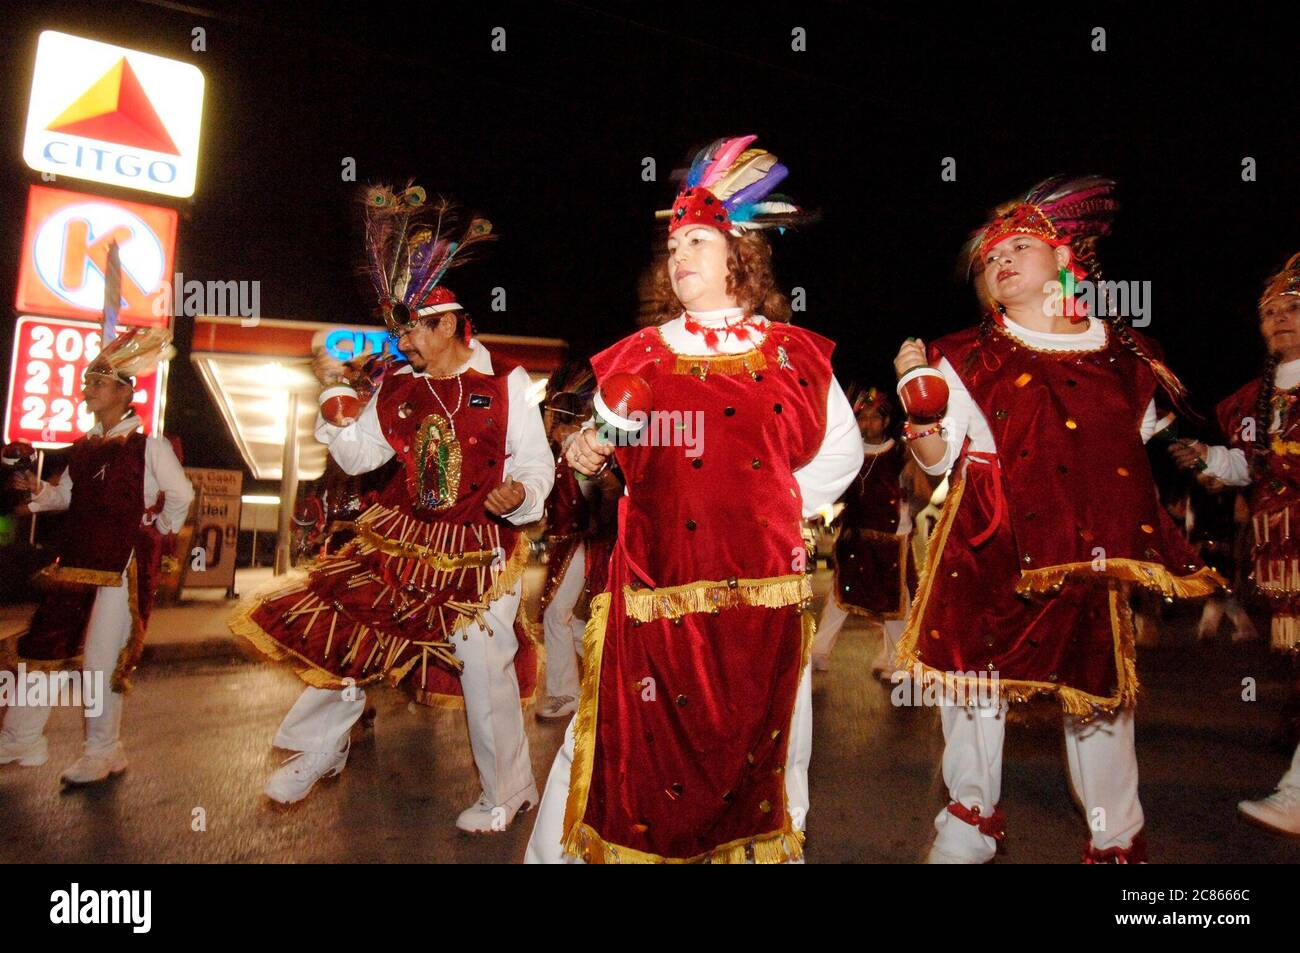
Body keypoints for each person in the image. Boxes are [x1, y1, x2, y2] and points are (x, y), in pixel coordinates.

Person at [524, 136, 863, 863]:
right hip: (655, 588)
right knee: (614, 739)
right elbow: (598, 444)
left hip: (763, 593)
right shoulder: (638, 354)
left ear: (740, 254)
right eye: (675, 243)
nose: (679, 256)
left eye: (699, 240)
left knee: (772, 751)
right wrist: (584, 450)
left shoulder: (794, 352)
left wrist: (768, 501)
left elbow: (844, 451)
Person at [895, 176, 1224, 863]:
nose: (1000, 260)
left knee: (1098, 696)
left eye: (1019, 246)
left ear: (1067, 260)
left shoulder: (1129, 357)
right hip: (988, 541)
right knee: (976, 686)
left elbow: (1128, 458)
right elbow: (932, 463)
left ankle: (1114, 838)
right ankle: (969, 822)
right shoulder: (961, 353)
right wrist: (919, 402)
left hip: (1088, 554)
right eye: (989, 258)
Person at [231, 186, 553, 832]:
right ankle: (322, 746)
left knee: (484, 671)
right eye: (399, 329)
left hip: (479, 553)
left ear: (447, 323)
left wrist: (520, 490)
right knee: (349, 630)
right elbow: (356, 456)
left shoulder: (505, 383)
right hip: (402, 541)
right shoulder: (399, 390)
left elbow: (535, 464)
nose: (402, 340)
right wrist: (333, 414)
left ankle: (507, 790)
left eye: (411, 328)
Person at [0, 328, 193, 785]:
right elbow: (66, 495)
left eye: (97, 383)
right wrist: (39, 492)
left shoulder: (151, 447)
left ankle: (103, 751)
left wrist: (158, 531)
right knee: (44, 644)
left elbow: (180, 494)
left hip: (121, 566)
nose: (87, 390)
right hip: (76, 560)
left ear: (126, 391)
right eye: (88, 382)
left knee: (101, 660)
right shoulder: (85, 448)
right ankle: (21, 737)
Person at [1170, 251, 1300, 835]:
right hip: (1286, 553)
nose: (1280, 319)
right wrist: (1207, 457)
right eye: (1270, 311)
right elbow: (1253, 466)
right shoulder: (1255, 398)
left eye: (1294, 308)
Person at [811, 386, 921, 677]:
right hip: (856, 535)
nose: (867, 424)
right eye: (863, 418)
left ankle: (897, 661)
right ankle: (819, 652)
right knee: (841, 597)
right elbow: (839, 489)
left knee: (895, 602)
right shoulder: (850, 453)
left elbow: (916, 486)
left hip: (892, 537)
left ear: (886, 421)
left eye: (874, 418)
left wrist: (905, 522)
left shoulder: (901, 452)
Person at [535, 362, 617, 721]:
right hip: (569, 543)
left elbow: (603, 495)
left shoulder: (577, 447)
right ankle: (613, 659)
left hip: (583, 544)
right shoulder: (557, 453)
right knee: (559, 617)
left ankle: (566, 693)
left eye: (550, 414)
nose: (545, 423)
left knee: (556, 615)